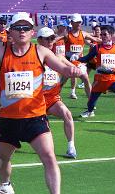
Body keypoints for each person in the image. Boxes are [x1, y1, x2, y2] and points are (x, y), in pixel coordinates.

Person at [0, 12, 82, 194]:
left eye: (26, 28)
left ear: (32, 32)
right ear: (11, 32)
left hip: (35, 117)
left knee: (49, 157)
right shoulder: (2, 51)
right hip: (9, 118)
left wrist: (72, 70)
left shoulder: (41, 51)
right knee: (2, 160)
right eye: (18, 28)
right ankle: (5, 186)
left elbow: (62, 67)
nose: (22, 31)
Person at [37, 27, 78, 159]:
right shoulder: (34, 58)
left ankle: (71, 147)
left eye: (52, 38)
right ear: (39, 40)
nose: (50, 41)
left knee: (67, 114)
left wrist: (77, 70)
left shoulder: (58, 57)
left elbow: (71, 67)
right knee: (40, 128)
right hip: (36, 99)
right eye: (47, 38)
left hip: (53, 98)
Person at [77, 25, 115, 118]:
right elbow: (87, 58)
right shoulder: (97, 48)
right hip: (100, 79)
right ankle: (89, 111)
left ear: (111, 35)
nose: (102, 36)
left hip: (113, 79)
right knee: (92, 99)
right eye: (101, 34)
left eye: (105, 34)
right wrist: (77, 58)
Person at [65, 13, 100, 100]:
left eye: (80, 22)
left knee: (86, 80)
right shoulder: (66, 35)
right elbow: (55, 40)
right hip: (67, 63)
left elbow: (95, 39)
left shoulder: (83, 34)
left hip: (79, 64)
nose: (79, 24)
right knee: (60, 83)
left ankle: (91, 103)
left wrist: (107, 42)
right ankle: (52, 100)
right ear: (72, 23)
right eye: (77, 22)